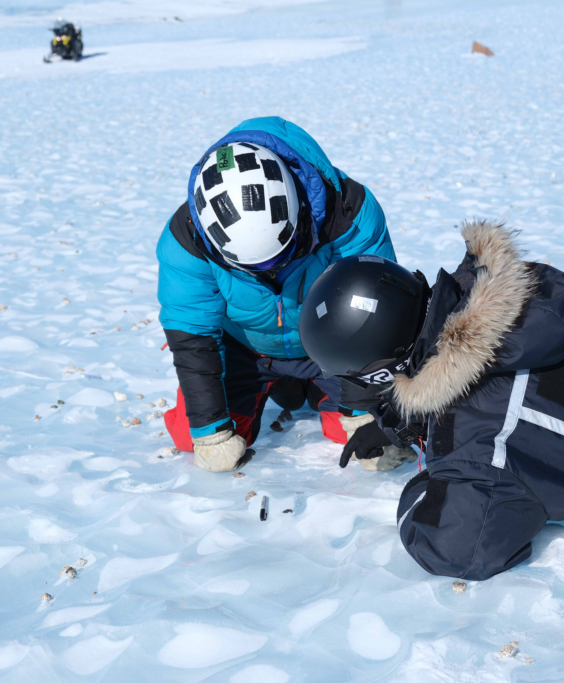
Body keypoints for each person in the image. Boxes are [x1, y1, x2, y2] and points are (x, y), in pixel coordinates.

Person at [299, 220, 564, 580]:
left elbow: (455, 547)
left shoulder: (477, 440)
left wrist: (431, 469)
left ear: (384, 372)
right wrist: (400, 422)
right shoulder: (493, 285)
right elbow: (471, 369)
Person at [157, 117, 411, 473]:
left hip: (333, 342)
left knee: (364, 442)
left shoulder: (348, 210)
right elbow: (191, 336)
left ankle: (316, 389)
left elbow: (373, 314)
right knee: (191, 436)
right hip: (245, 348)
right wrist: (210, 431)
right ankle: (287, 386)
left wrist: (360, 410)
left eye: (281, 255)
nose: (272, 273)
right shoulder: (185, 239)